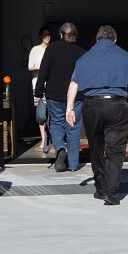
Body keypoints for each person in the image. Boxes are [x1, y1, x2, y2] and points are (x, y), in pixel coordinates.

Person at [66, 25, 128, 206]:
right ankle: (110, 191)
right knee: (115, 149)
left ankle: (100, 188)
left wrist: (69, 109)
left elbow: (73, 84)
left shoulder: (84, 58)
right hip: (116, 106)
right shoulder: (125, 56)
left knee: (95, 148)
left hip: (91, 106)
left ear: (97, 40)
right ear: (115, 40)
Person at [34, 22, 84, 172]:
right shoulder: (80, 51)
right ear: (75, 36)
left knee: (56, 124)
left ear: (61, 34)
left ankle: (60, 148)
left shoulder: (52, 49)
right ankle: (73, 164)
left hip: (54, 95)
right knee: (73, 127)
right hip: (76, 97)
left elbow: (44, 70)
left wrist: (38, 91)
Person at [28, 25, 52, 154]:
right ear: (40, 36)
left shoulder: (52, 49)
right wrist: (42, 68)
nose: (47, 37)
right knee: (40, 113)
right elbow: (30, 66)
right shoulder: (35, 50)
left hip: (51, 85)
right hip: (37, 85)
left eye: (49, 35)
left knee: (52, 111)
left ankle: (53, 140)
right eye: (44, 35)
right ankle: (43, 140)